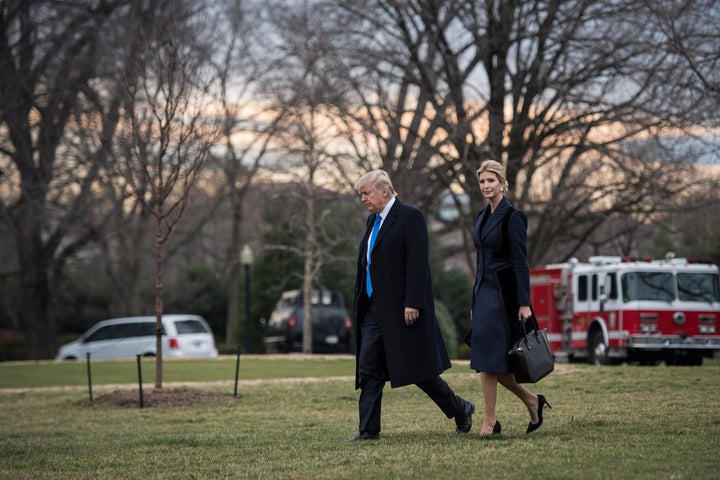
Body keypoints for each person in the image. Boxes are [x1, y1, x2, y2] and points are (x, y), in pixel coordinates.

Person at [346, 169, 474, 442]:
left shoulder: (410, 217)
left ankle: (461, 408)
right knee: (368, 369)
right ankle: (368, 430)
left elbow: (417, 264)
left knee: (419, 371)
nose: (363, 200)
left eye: (366, 193)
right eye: (361, 195)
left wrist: (413, 302)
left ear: (384, 191)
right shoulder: (372, 221)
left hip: (402, 310)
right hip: (373, 309)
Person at [470, 159, 551, 436]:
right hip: (483, 296)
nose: (486, 186)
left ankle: (490, 421)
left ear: (503, 183)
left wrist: (524, 302)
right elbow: (480, 261)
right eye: (482, 181)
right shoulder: (481, 217)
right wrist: (474, 301)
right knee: (487, 360)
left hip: (503, 298)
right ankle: (530, 401)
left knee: (492, 360)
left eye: (491, 180)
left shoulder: (514, 217)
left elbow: (520, 262)